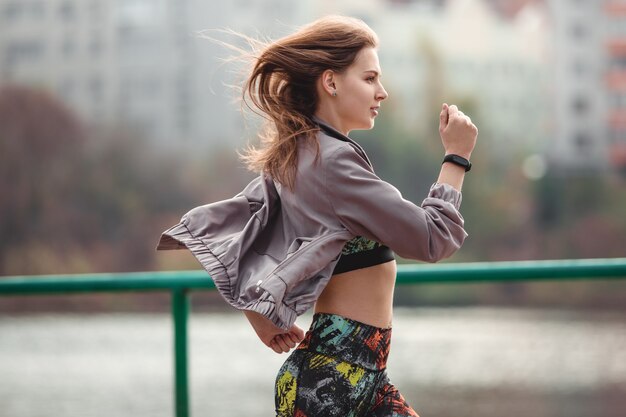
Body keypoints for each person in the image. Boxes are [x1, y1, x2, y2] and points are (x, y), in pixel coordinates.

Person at [157, 15, 477, 417]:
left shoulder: (302, 154)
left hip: (357, 378)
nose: (383, 92)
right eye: (370, 78)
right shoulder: (332, 162)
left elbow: (243, 238)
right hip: (331, 385)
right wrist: (457, 157)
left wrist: (258, 312)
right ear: (331, 82)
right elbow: (433, 238)